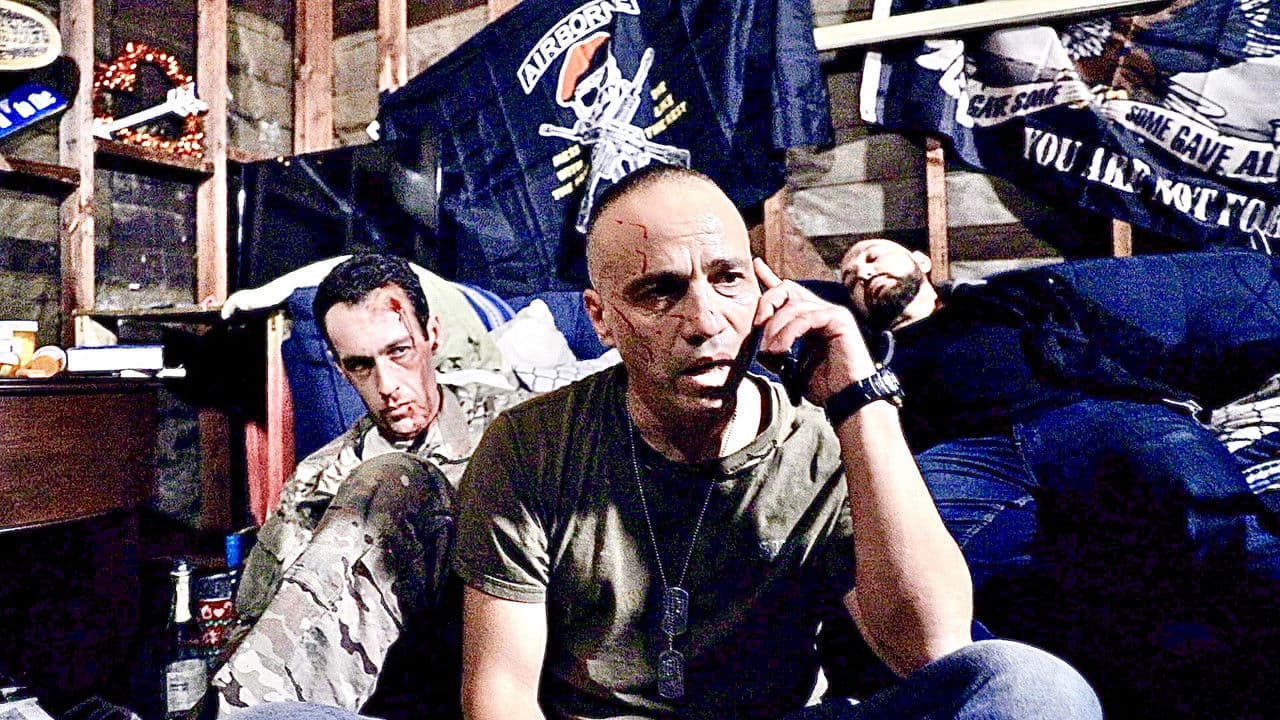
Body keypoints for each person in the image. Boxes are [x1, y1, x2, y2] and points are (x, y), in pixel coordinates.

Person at [450, 165, 1098, 720]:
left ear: (763, 288)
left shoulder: (821, 441)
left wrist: (861, 402)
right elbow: (500, 695)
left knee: (1032, 686)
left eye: (728, 278)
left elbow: (932, 646)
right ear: (601, 319)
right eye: (660, 291)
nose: (705, 321)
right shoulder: (532, 446)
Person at [836, 238, 1280, 718]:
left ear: (922, 261)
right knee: (888, 567)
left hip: (1084, 412)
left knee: (1216, 518)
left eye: (872, 256)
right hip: (969, 454)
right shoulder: (865, 359)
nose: (862, 273)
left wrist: (1170, 392)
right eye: (849, 278)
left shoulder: (1006, 295)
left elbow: (1123, 331)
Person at [213, 254, 475, 717]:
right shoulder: (317, 479)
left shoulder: (514, 433)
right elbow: (259, 622)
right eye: (361, 365)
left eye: (399, 351)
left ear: (432, 336)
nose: (387, 385)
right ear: (340, 369)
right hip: (379, 694)